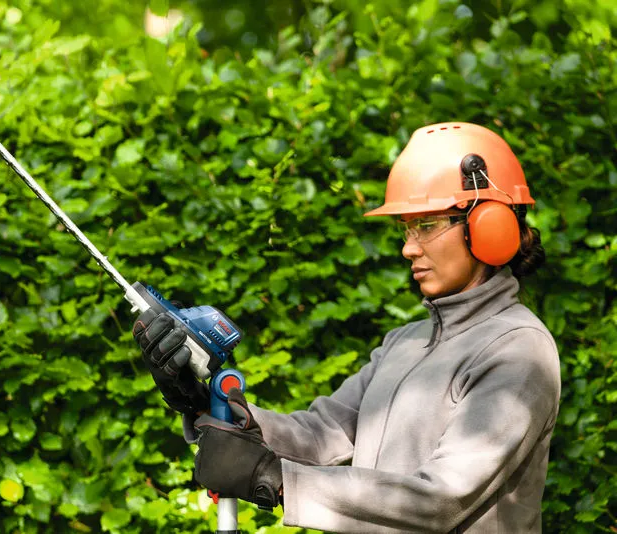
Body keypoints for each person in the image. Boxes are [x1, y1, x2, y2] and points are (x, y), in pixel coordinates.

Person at [133, 122, 561, 533]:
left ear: (490, 227)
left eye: (427, 225)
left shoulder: (518, 351)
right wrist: (204, 404)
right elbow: (321, 434)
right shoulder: (406, 342)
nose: (408, 247)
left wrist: (274, 479)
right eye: (405, 227)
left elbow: (439, 500)